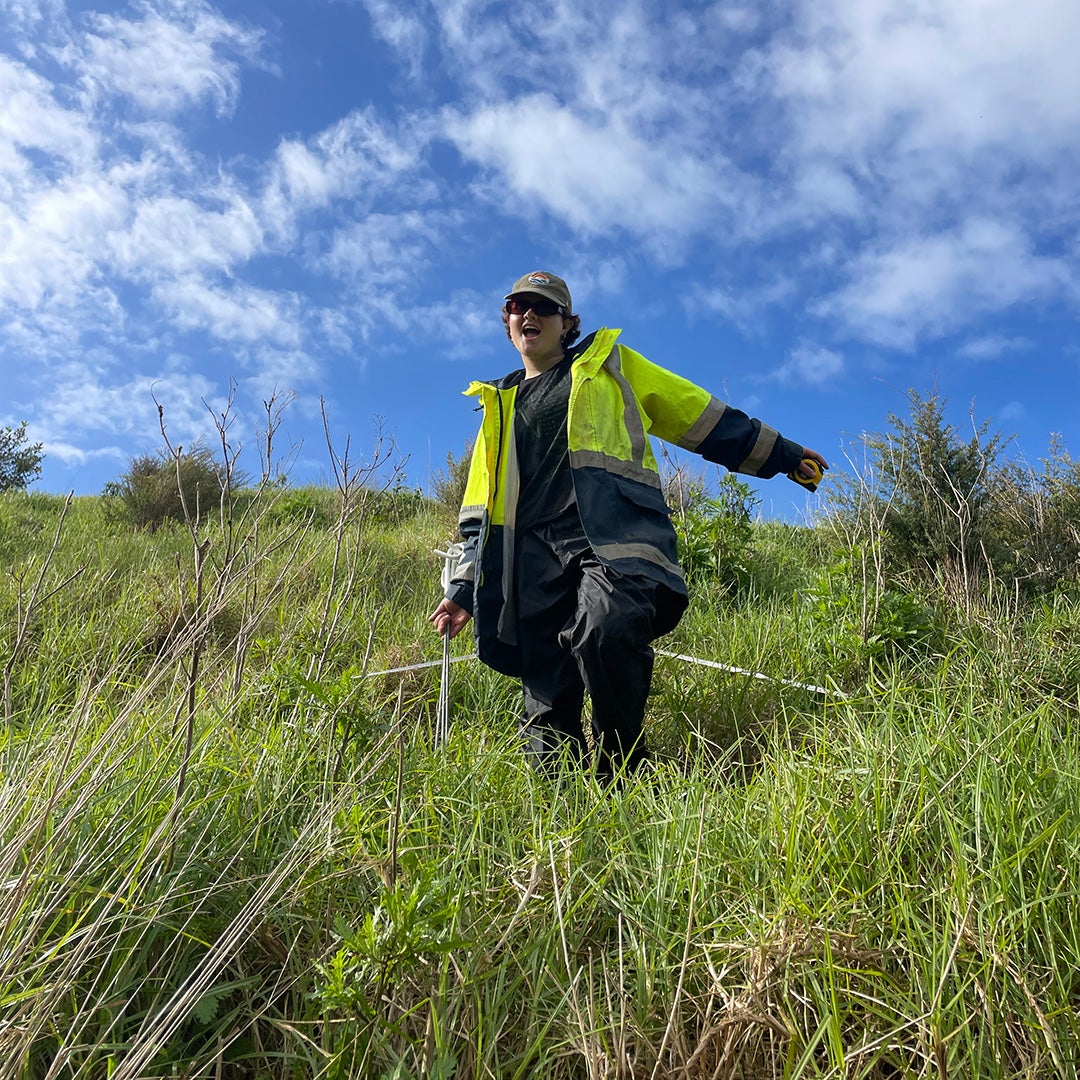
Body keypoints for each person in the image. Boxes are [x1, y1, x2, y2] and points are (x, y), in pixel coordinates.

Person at [429, 271, 828, 779]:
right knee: (546, 691)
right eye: (517, 305)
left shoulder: (607, 366)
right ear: (506, 322)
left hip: (609, 535)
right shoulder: (498, 406)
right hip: (527, 556)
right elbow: (477, 512)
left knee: (607, 628)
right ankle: (558, 810)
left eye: (544, 307)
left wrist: (782, 454)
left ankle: (622, 771)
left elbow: (696, 412)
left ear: (567, 323)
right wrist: (463, 587)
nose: (528, 314)